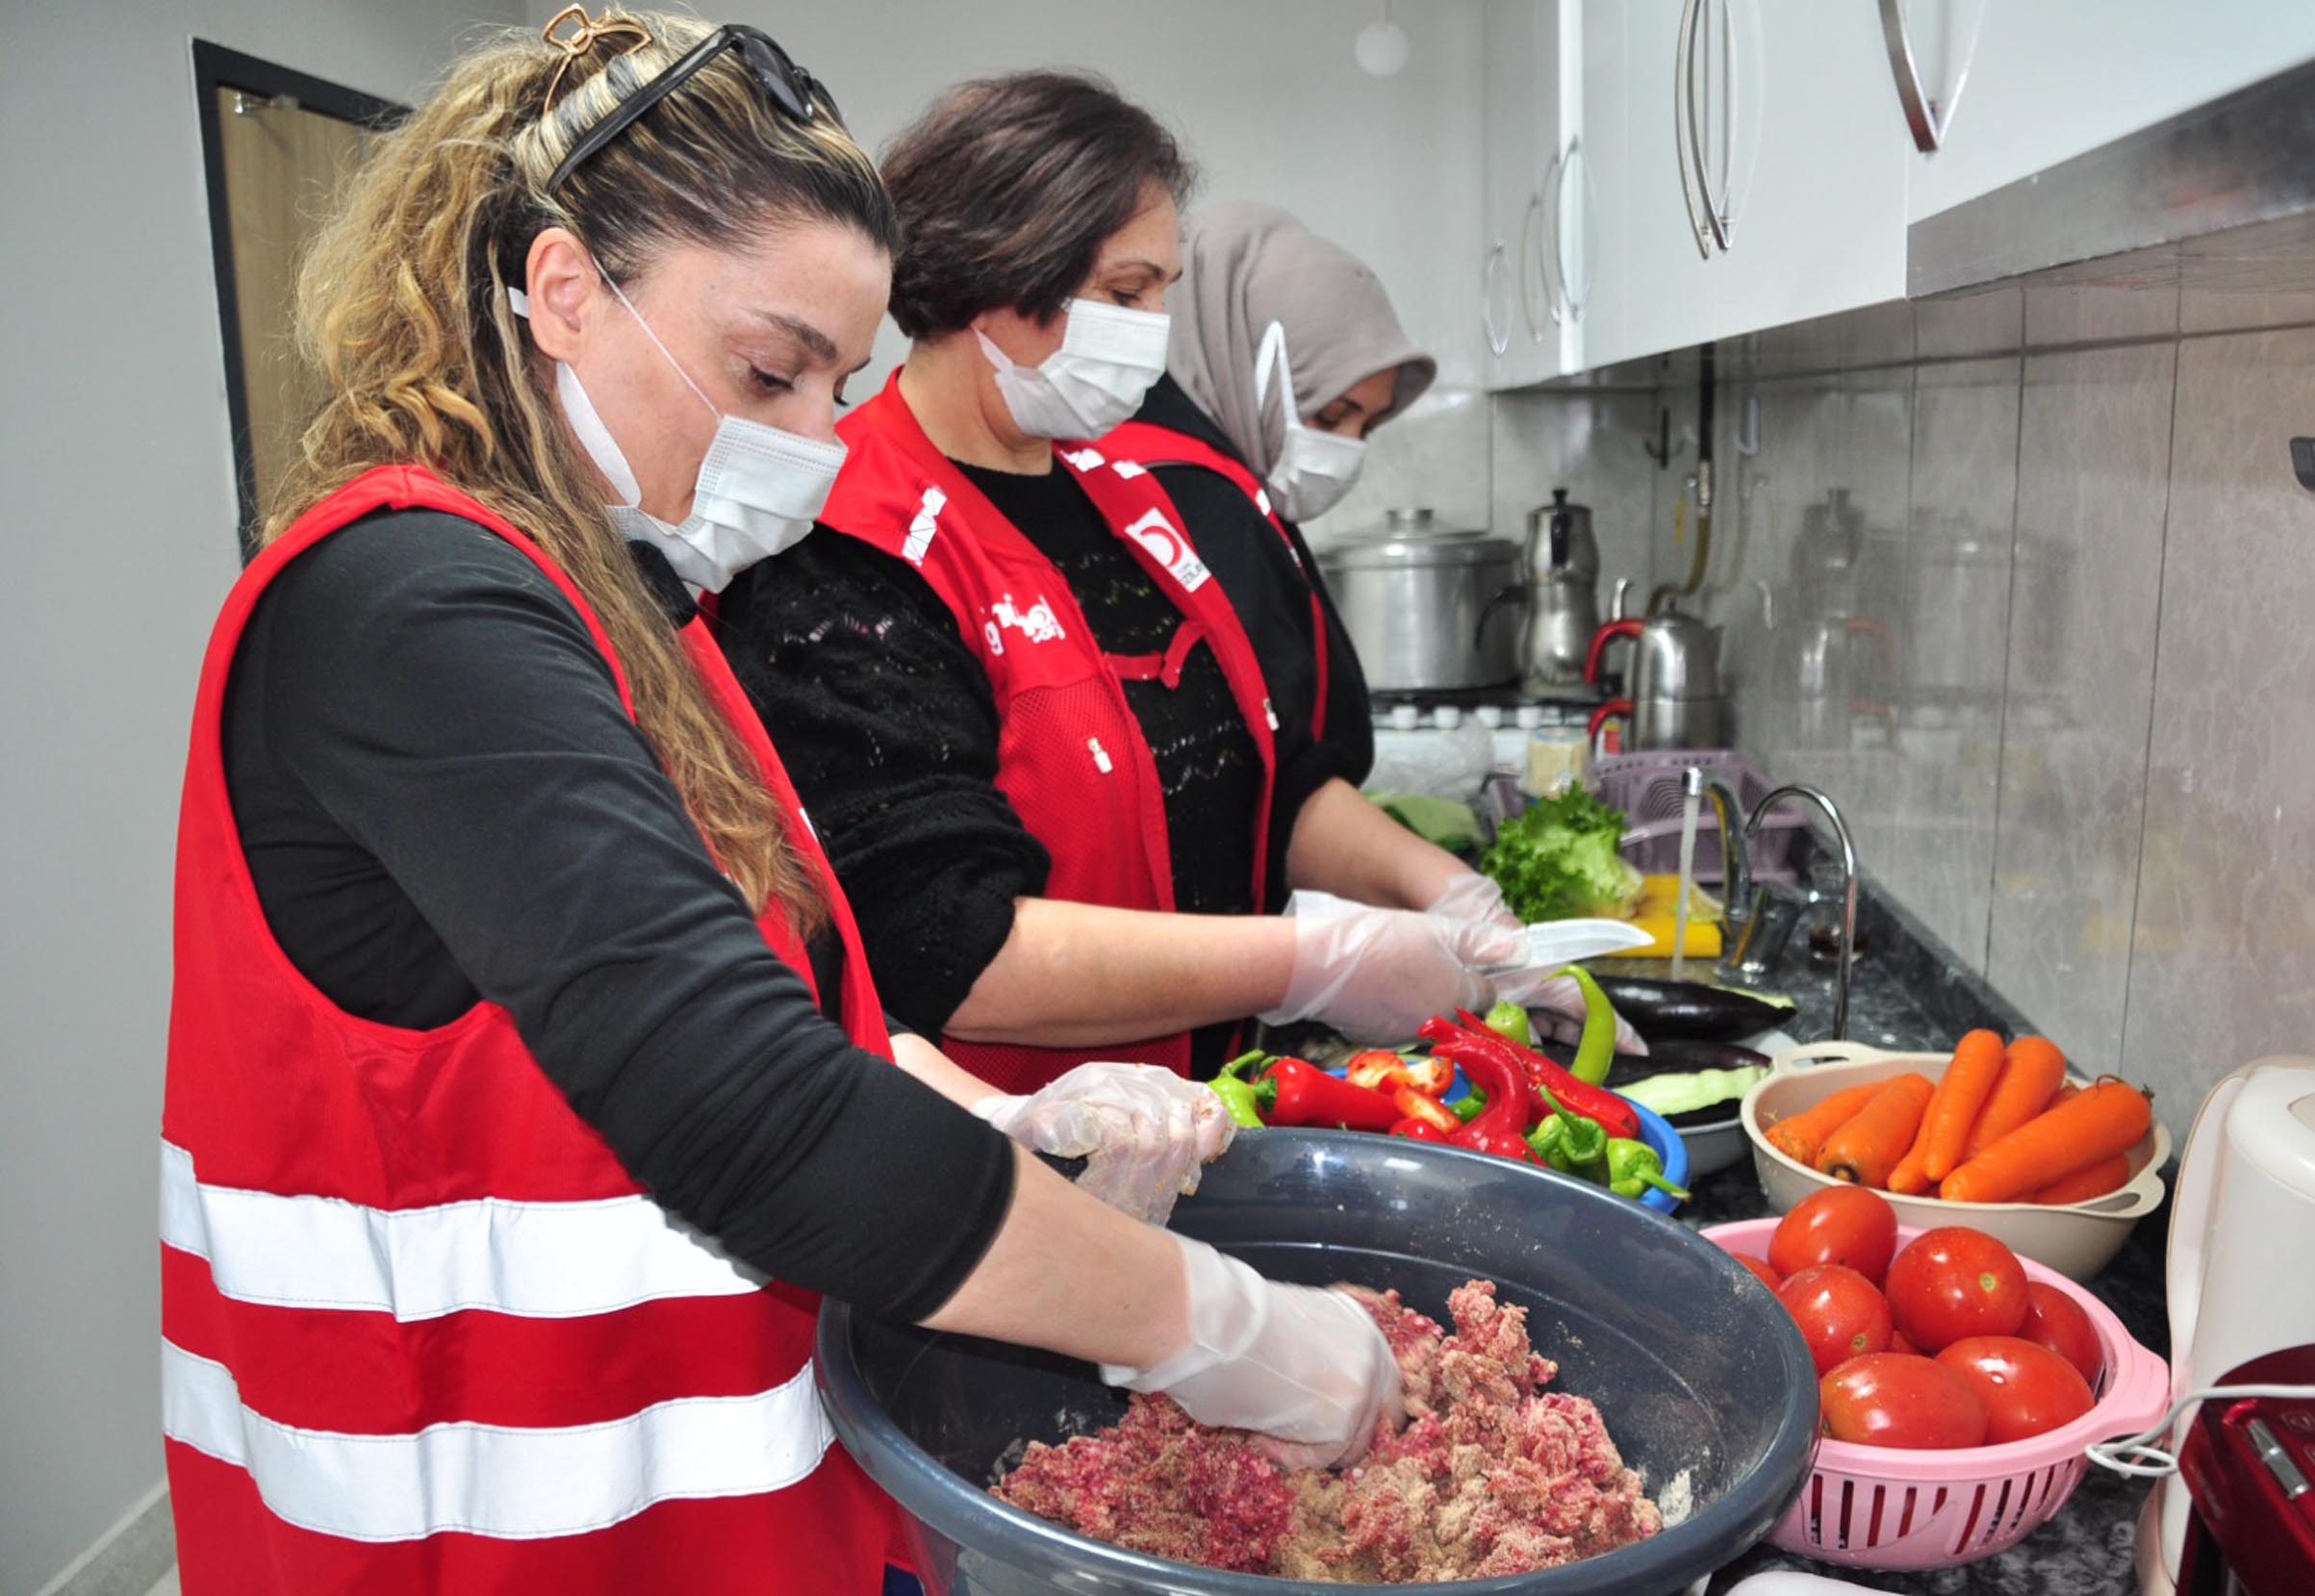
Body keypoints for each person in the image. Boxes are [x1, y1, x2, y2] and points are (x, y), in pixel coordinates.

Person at [160, 15, 1397, 1592]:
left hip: (724, 1516)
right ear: (560, 292)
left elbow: (726, 999)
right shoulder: (409, 611)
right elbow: (744, 1105)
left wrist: (979, 1108)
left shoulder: (628, 608)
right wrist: (1225, 1326)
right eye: (770, 369)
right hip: (490, 1531)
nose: (819, 440)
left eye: (839, 379)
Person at [718, 73, 1565, 1097]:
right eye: (1126, 294)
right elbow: (944, 943)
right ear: (1001, 274)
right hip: (1030, 1149)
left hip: (1214, 1113)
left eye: (1163, 288)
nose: (1156, 328)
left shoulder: (1135, 500)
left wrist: (1444, 890)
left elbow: (1266, 779)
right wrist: (1307, 962)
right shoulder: (847, 543)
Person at [1110, 198, 1435, 789]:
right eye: (1330, 415)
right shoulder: (1187, 496)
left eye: (1367, 426)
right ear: (1244, 362)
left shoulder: (1222, 484)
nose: (1347, 450)